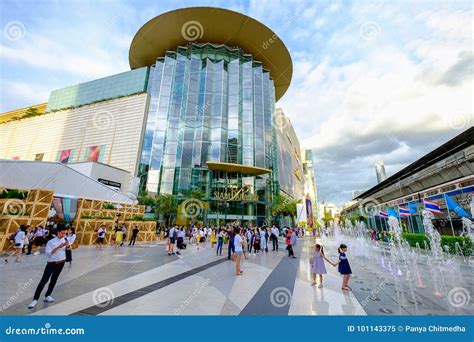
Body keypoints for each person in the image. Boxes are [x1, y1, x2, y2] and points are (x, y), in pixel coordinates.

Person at [28, 226, 69, 308]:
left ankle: (47, 295)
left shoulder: (65, 240)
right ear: (58, 232)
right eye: (62, 233)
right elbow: (48, 253)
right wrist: (58, 247)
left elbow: (67, 250)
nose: (63, 235)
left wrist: (67, 246)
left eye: (65, 233)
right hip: (51, 263)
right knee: (44, 280)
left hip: (61, 263)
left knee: (54, 280)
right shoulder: (51, 242)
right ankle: (35, 299)